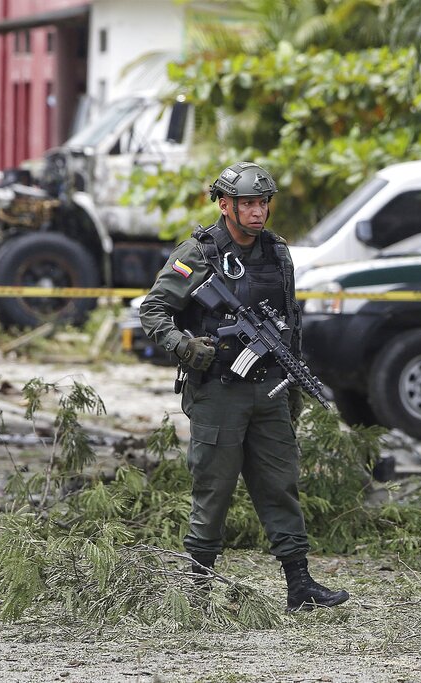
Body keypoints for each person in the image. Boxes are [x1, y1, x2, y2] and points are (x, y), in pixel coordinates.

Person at [139, 161, 349, 611]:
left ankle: (300, 586)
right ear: (224, 205)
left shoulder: (277, 253)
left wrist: (293, 386)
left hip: (269, 387)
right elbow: (153, 310)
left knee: (280, 485)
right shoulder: (199, 253)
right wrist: (184, 345)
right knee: (213, 489)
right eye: (248, 203)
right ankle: (197, 591)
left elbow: (290, 323)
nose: (257, 212)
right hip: (218, 391)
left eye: (263, 203)